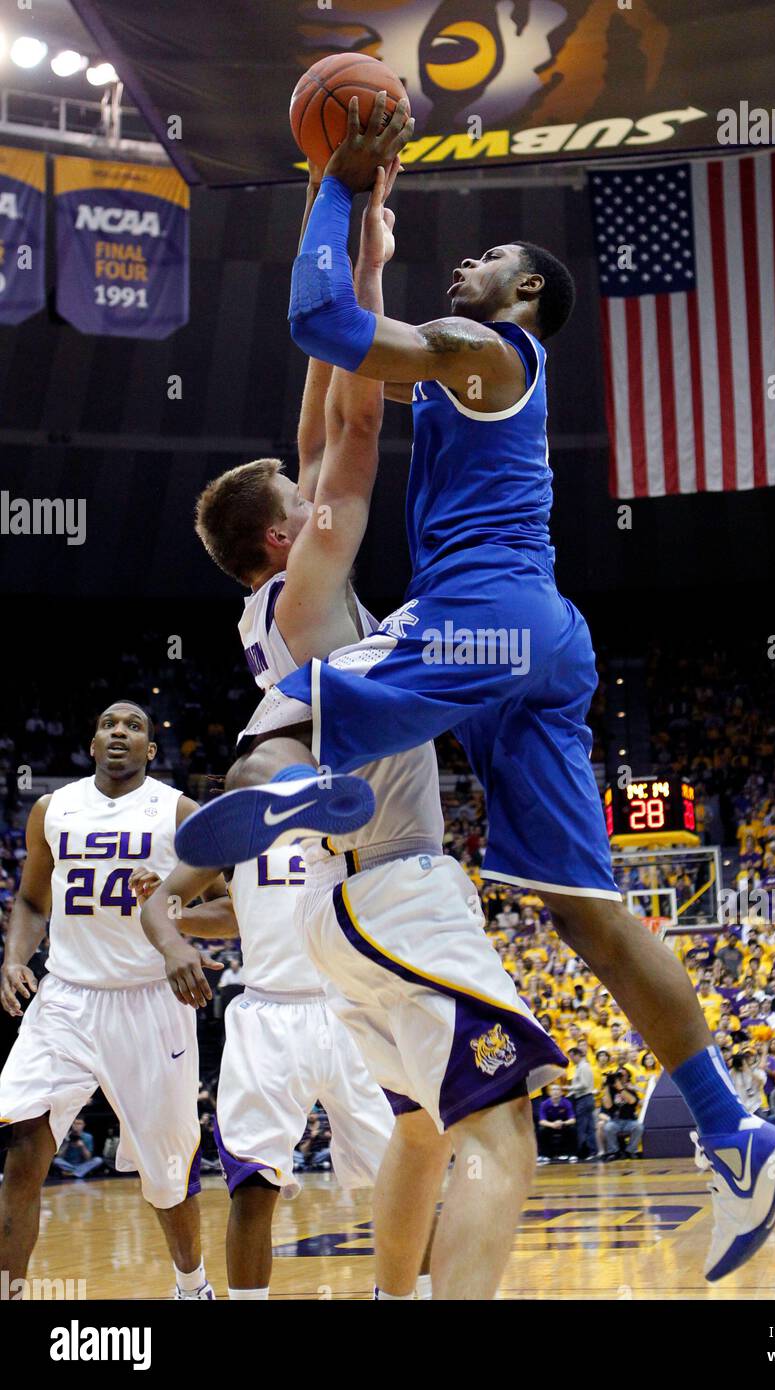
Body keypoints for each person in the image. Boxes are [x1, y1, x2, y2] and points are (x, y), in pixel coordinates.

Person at [177, 93, 775, 1284]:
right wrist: (364, 222)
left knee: (304, 703)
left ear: (525, 297)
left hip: (484, 624)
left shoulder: (486, 352)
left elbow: (326, 331)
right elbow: (339, 394)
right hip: (535, 645)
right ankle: (732, 1128)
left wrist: (337, 183)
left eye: (493, 257)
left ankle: (300, 789)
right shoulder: (462, 372)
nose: (471, 260)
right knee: (582, 906)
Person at [184, 166, 566, 1301]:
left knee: (418, 1130)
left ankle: (397, 1302)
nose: (317, 497)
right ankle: (298, 770)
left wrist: (369, 256)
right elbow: (349, 423)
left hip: (325, 930)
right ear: (278, 539)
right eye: (297, 504)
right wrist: (346, 211)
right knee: (503, 1138)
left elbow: (321, 416)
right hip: (397, 886)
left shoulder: (274, 605)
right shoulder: (311, 581)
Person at [0, 702, 222, 1299]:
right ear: (92, 742)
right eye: (108, 724)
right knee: (23, 1146)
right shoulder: (53, 808)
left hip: (151, 1001)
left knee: (169, 1175)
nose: (119, 732)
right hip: (67, 998)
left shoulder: (181, 812)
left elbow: (228, 906)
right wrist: (15, 958)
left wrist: (179, 928)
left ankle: (192, 1284)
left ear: (152, 750)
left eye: (135, 727)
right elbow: (30, 901)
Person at [139, 844, 411, 1302]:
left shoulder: (349, 806)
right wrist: (179, 915)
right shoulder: (236, 825)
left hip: (353, 1007)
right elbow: (237, 912)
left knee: (406, 1176)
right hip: (269, 1010)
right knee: (254, 1184)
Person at [564, 1045, 597, 1159]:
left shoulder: (583, 1067)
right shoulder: (580, 1067)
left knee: (583, 1127)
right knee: (589, 1126)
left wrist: (569, 1088)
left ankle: (583, 1152)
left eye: (572, 1056)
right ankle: (592, 1151)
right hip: (585, 1098)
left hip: (584, 1099)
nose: (571, 1059)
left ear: (577, 1055)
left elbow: (584, 1085)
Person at [537, 1084, 577, 1163]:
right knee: (541, 1130)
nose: (555, 1092)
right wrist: (552, 1125)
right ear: (550, 1093)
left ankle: (571, 1154)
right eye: (553, 1090)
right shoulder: (544, 1104)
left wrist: (563, 1123)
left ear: (561, 1093)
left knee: (573, 1129)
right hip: (550, 1125)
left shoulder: (567, 1103)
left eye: (557, 1089)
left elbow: (572, 1119)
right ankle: (544, 1155)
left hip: (563, 1124)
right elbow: (541, 1121)